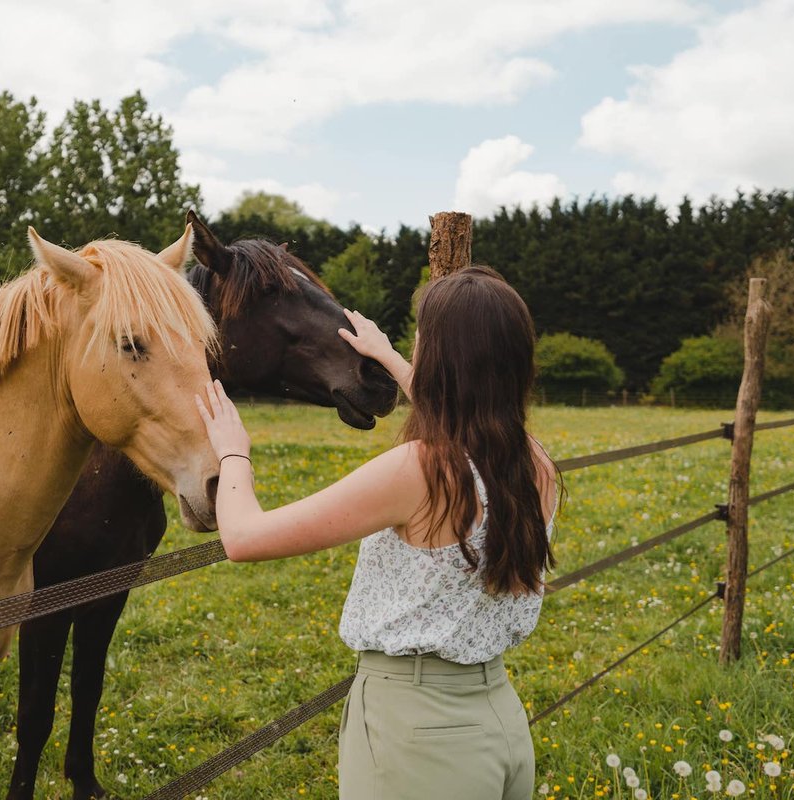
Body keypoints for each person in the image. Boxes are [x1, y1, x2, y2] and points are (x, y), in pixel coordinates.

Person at [195, 265, 560, 800]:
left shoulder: (419, 470)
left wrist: (232, 453)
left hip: (414, 732)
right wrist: (387, 356)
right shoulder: (534, 463)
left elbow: (245, 538)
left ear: (442, 358)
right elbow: (463, 413)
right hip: (500, 720)